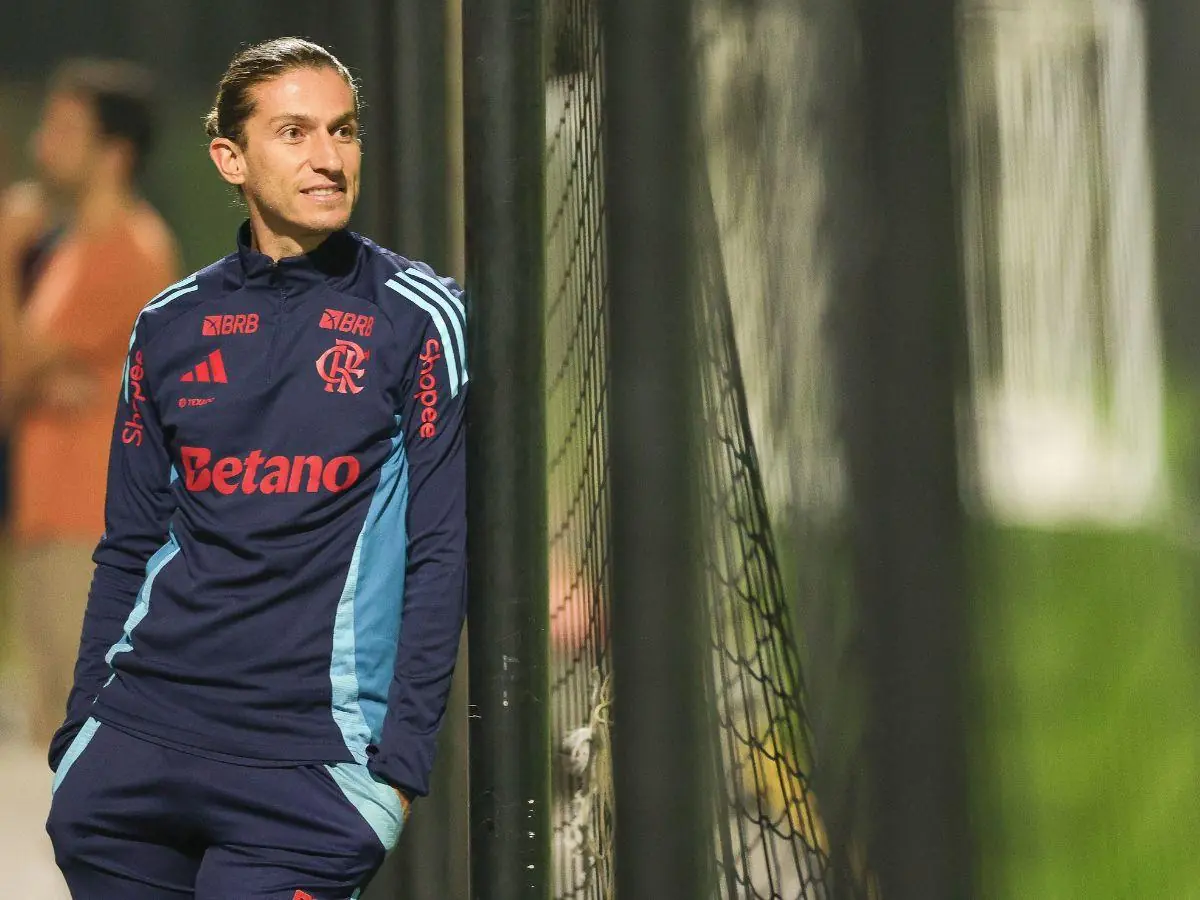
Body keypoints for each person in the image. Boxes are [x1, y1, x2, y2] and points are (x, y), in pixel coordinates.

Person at [43, 37, 469, 897]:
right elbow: (128, 545)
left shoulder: (418, 316)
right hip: (135, 754)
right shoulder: (168, 325)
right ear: (230, 159)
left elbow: (442, 551)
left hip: (306, 776)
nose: (329, 158)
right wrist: (81, 731)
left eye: (343, 131)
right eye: (295, 132)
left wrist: (399, 768)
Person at [0, 59, 179, 750]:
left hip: (89, 528)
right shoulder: (71, 247)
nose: (43, 142)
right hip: (51, 520)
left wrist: (2, 252)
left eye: (66, 128)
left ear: (114, 152)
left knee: (87, 743)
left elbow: (15, 366)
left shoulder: (126, 249)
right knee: (60, 732)